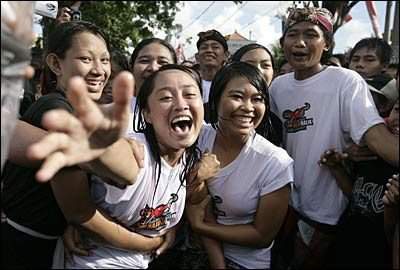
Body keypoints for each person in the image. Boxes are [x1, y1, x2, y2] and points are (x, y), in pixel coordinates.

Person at [1, 21, 158, 269]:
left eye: (105, 60)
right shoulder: (56, 110)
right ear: (55, 64)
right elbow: (81, 211)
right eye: (86, 59)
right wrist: (149, 243)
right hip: (24, 248)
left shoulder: (76, 111)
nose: (99, 70)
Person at [26, 64, 205, 268]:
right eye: (166, 97)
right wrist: (95, 140)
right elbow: (117, 158)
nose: (181, 104)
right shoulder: (138, 153)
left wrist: (168, 231)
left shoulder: (189, 154)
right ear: (146, 114)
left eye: (190, 94)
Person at [269, 7, 399, 269]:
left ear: (326, 43)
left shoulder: (345, 81)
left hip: (327, 212)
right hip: (287, 206)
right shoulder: (277, 87)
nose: (300, 42)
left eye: (311, 34)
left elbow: (375, 137)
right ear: (283, 43)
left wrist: (351, 151)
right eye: (292, 34)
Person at [184, 62, 294, 269]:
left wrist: (202, 227)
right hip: (194, 252)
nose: (248, 107)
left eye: (257, 99)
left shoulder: (275, 162)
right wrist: (198, 174)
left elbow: (261, 235)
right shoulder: (196, 137)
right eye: (237, 96)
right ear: (215, 101)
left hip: (244, 263)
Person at [319, 99, 399, 269]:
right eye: (398, 110)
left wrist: (392, 207)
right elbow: (356, 196)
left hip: (378, 255)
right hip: (346, 243)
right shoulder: (369, 152)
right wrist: (337, 168)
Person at [230, 43, 283, 146]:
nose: (258, 70)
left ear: (274, 72)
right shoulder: (210, 111)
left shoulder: (275, 123)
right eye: (249, 64)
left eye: (265, 65)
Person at [127, 38, 177, 133]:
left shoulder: (186, 111)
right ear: (131, 67)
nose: (153, 68)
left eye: (162, 62)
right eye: (144, 61)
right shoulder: (110, 115)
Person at [349, 37, 398, 118]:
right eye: (355, 59)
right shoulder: (343, 81)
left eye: (369, 60)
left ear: (384, 66)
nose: (359, 64)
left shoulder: (387, 85)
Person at [195, 29, 229, 105]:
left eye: (215, 47)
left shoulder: (231, 85)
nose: (209, 51)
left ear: (226, 55)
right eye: (204, 47)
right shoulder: (191, 84)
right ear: (197, 57)